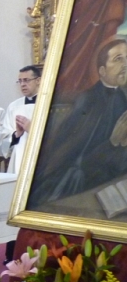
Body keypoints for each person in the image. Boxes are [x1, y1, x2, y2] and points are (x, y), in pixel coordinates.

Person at [29, 39, 127, 207]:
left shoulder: (122, 96)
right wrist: (112, 143)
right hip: (83, 182)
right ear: (102, 71)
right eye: (118, 59)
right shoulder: (88, 100)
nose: (125, 64)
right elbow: (77, 157)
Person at [0, 65, 41, 174]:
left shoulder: (49, 104)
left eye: (26, 80)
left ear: (38, 81)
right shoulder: (14, 106)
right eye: (20, 81)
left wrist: (33, 129)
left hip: (42, 159)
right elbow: (4, 136)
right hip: (19, 158)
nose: (22, 84)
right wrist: (16, 135)